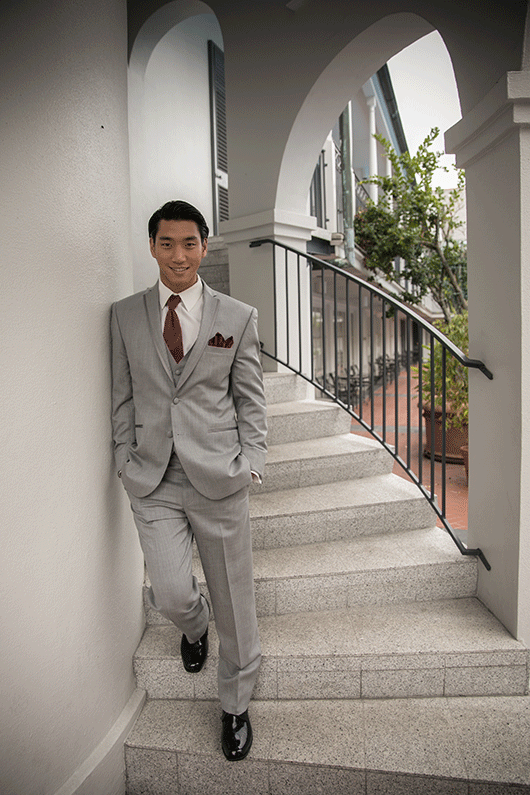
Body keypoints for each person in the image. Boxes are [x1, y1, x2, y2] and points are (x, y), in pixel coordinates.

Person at [110, 200, 267, 761]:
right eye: (167, 243)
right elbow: (122, 395)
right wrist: (124, 460)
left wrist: (252, 459)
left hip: (219, 477)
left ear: (205, 246)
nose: (179, 255)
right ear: (152, 246)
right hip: (152, 477)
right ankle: (193, 628)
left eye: (190, 243)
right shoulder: (125, 315)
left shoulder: (236, 316)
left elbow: (250, 396)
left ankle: (235, 704)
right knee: (173, 592)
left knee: (236, 602)